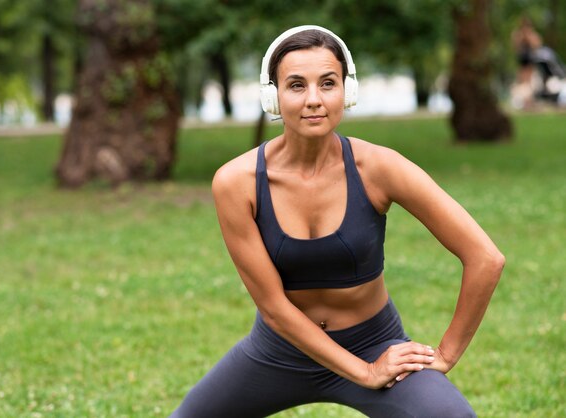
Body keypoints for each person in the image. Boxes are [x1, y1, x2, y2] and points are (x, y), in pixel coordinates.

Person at [170, 25, 505, 418]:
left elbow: (485, 257)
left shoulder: (379, 167)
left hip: (373, 341)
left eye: (327, 83)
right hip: (279, 350)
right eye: (296, 85)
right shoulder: (236, 182)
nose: (314, 99)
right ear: (272, 95)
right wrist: (364, 373)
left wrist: (445, 354)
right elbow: (275, 308)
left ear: (347, 91)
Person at [511, 16, 543, 108]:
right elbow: (515, 47)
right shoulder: (518, 35)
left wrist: (529, 37)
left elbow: (537, 46)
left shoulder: (532, 35)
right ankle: (524, 102)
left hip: (531, 63)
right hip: (522, 63)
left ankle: (529, 102)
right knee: (521, 83)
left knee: (531, 84)